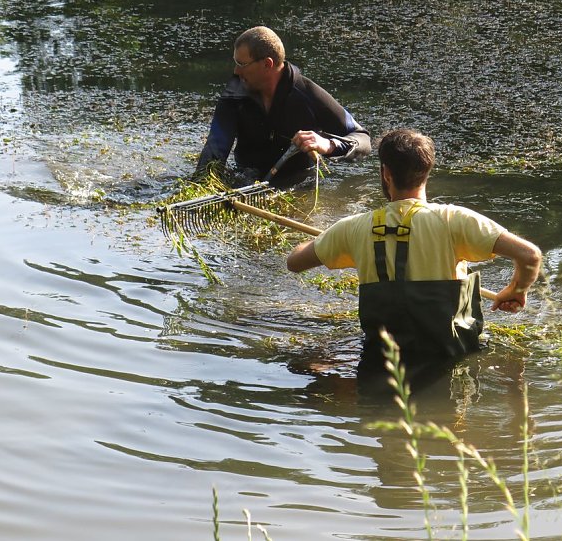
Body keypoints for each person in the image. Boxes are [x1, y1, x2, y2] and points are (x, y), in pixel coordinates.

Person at [287, 129, 542, 365]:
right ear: (427, 170)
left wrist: (328, 238)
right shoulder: (455, 220)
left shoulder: (352, 228)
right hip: (450, 357)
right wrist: (516, 289)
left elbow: (294, 262)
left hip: (381, 362)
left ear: (386, 173)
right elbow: (530, 256)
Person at [193, 26, 371, 186]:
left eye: (242, 64)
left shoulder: (307, 93)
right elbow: (214, 152)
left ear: (267, 64)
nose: (236, 71)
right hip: (245, 183)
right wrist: (200, 187)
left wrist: (328, 144)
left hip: (300, 186)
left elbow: (362, 139)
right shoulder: (234, 96)